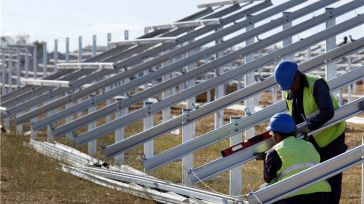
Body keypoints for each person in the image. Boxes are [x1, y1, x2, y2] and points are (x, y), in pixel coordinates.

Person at [274, 61, 347, 204]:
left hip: (331, 138)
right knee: (316, 180)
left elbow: (328, 111)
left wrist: (307, 127)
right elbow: (294, 117)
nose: (290, 90)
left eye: (290, 85)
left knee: (332, 178)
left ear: (297, 77)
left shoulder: (316, 84)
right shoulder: (289, 92)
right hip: (312, 141)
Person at [262, 113, 331, 204]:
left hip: (293, 196)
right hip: (322, 193)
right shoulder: (309, 145)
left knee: (264, 189)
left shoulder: (275, 151)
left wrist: (265, 159)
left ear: (277, 135)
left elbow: (268, 178)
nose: (271, 135)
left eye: (271, 133)